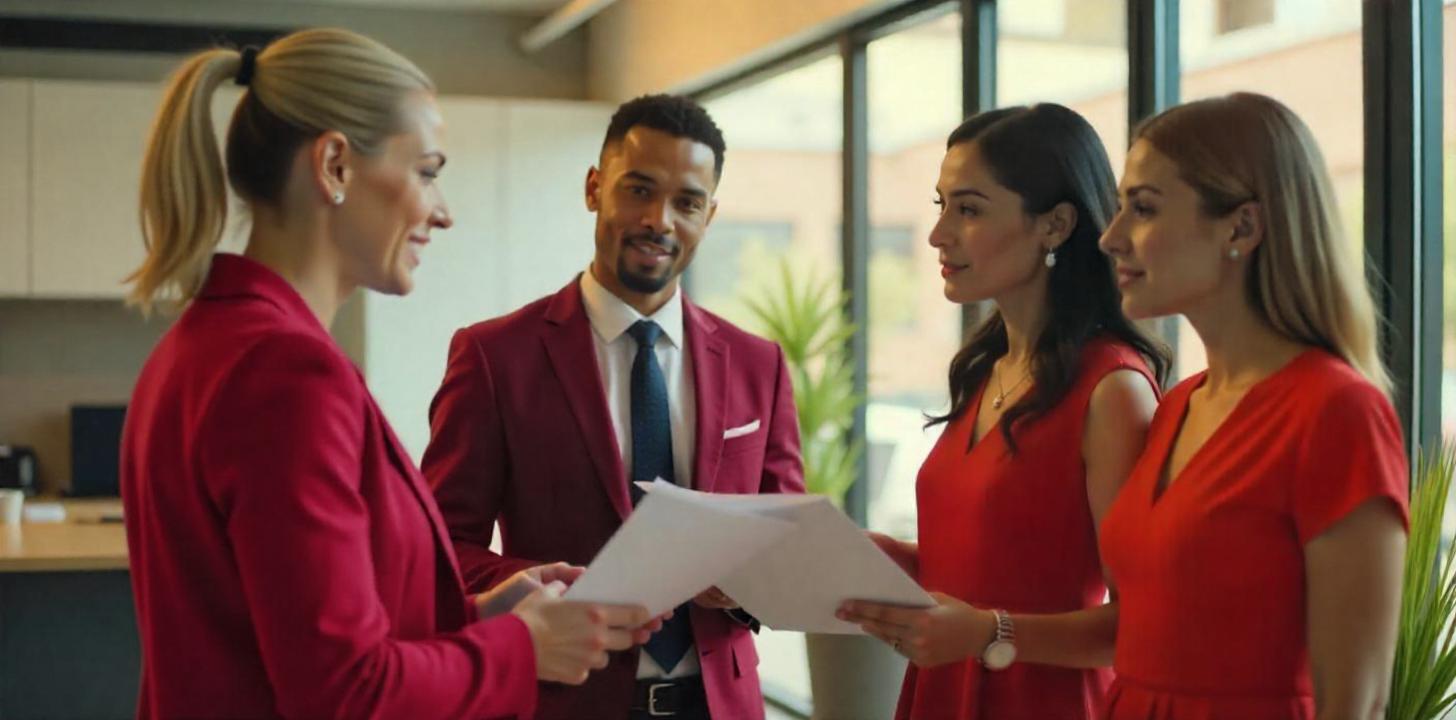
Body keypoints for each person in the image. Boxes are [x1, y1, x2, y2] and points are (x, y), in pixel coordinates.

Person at [120, 29, 654, 720]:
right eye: (427, 171)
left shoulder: (200, 346)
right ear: (336, 165)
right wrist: (524, 647)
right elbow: (344, 693)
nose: (443, 209)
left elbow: (283, 633)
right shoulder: (286, 375)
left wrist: (481, 615)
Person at [422, 93, 805, 720]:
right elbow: (437, 548)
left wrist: (748, 585)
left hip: (720, 705)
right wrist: (544, 584)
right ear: (594, 188)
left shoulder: (757, 363)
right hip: (562, 700)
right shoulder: (495, 356)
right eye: (638, 190)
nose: (660, 220)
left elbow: (785, 538)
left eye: (687, 202)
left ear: (709, 215)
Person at [837, 104, 1166, 719]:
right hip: (943, 691)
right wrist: (868, 556)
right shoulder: (986, 370)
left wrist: (993, 632)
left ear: (1055, 225)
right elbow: (975, 565)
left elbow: (1142, 624)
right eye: (943, 206)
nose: (939, 235)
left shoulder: (1112, 389)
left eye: (969, 209)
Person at [1096, 92, 1408, 718]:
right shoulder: (1179, 405)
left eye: (1144, 209)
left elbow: (1357, 703)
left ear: (1241, 227)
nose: (1112, 238)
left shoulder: (1336, 411)